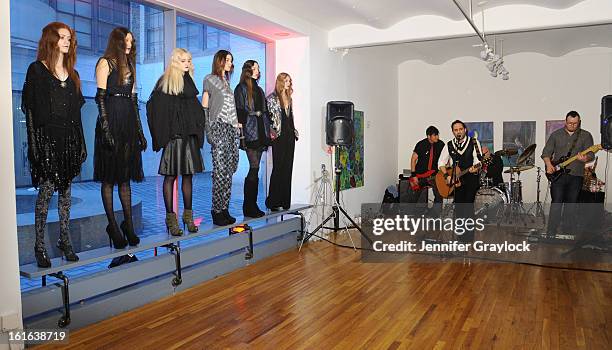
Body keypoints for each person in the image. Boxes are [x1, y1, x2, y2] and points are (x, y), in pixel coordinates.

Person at [22, 22, 85, 267]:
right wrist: (34, 145)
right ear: (51, 40)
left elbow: (77, 114)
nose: (67, 42)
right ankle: (39, 245)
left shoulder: (74, 75)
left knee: (66, 194)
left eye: (69, 38)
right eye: (62, 37)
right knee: (46, 192)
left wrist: (81, 142)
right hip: (47, 139)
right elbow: (29, 110)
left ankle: (64, 240)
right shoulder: (37, 70)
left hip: (68, 139)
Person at [94, 27, 146, 248]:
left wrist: (140, 132)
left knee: (124, 178)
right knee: (109, 178)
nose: (130, 44)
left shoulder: (131, 66)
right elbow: (100, 98)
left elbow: (134, 102)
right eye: (127, 40)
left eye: (132, 41)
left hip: (127, 123)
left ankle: (129, 226)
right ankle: (113, 226)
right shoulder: (105, 63)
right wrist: (106, 129)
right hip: (111, 121)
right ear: (117, 41)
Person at [147, 48, 205, 236]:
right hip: (174, 138)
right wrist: (166, 133)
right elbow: (155, 108)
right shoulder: (165, 82)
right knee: (170, 177)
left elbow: (195, 110)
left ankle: (188, 217)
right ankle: (171, 219)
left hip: (189, 137)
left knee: (188, 176)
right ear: (175, 62)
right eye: (183, 60)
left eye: (189, 60)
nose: (187, 63)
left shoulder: (189, 82)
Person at [541, 111, 594, 237]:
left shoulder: (586, 136)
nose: (573, 125)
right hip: (558, 175)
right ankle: (551, 231)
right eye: (570, 123)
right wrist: (549, 165)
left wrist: (584, 158)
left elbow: (591, 155)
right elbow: (546, 153)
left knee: (571, 204)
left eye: (575, 123)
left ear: (579, 122)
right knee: (557, 202)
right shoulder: (556, 135)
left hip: (576, 175)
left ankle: (567, 231)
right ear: (565, 121)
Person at [202, 50, 239, 226]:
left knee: (229, 171)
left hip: (231, 129)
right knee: (220, 172)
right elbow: (205, 107)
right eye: (227, 60)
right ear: (220, 61)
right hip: (219, 127)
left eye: (231, 60)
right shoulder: (210, 79)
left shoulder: (228, 82)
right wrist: (208, 131)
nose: (230, 63)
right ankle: (216, 210)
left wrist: (236, 125)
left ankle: (224, 208)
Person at [234, 60, 272, 217]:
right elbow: (239, 111)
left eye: (258, 67)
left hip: (261, 130)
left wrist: (269, 129)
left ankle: (252, 205)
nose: (257, 70)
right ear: (248, 70)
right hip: (249, 131)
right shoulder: (241, 88)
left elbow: (264, 110)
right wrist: (241, 135)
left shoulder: (259, 89)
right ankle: (249, 206)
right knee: (254, 167)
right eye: (254, 68)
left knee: (255, 169)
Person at [438, 120, 482, 242]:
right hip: (456, 180)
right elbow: (441, 163)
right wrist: (446, 175)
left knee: (467, 207)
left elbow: (478, 160)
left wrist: (475, 167)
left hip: (470, 178)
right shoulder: (449, 145)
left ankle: (468, 238)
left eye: (460, 129)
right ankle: (460, 237)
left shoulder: (473, 142)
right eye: (456, 130)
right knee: (458, 208)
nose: (458, 132)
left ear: (465, 130)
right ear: (453, 132)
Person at [266, 73, 298, 211]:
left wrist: (294, 132)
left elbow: (290, 118)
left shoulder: (289, 98)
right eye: (286, 81)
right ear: (280, 82)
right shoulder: (272, 98)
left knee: (287, 168)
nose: (289, 83)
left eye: (289, 80)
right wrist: (272, 132)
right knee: (278, 168)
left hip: (289, 136)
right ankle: (273, 201)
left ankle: (285, 201)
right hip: (278, 137)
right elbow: (268, 118)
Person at [409, 126, 444, 211]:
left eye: (437, 135)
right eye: (435, 135)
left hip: (434, 174)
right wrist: (414, 175)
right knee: (414, 196)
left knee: (439, 195)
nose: (437, 137)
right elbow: (413, 159)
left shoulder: (441, 144)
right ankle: (410, 215)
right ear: (429, 136)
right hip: (420, 174)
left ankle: (434, 216)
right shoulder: (421, 144)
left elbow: (445, 159)